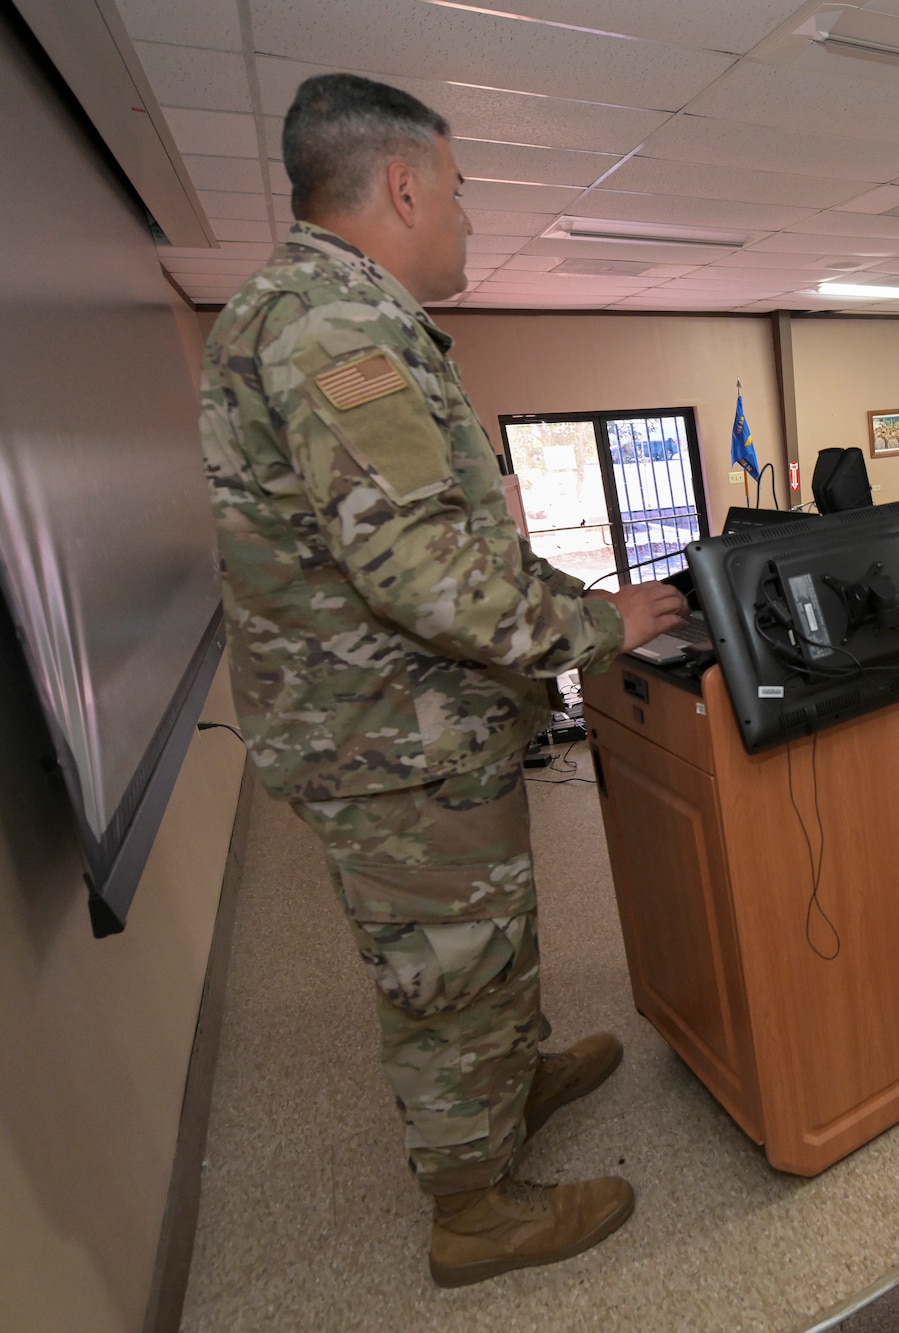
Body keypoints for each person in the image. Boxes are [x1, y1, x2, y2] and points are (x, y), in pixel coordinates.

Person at [200, 74, 688, 1287]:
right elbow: (419, 568)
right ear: (403, 183)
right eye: (460, 193)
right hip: (387, 741)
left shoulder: (326, 308)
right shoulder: (329, 324)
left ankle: (512, 1082)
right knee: (447, 970)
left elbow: (441, 531)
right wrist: (598, 624)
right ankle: (474, 1210)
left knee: (483, 940)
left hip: (414, 726)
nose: (467, 219)